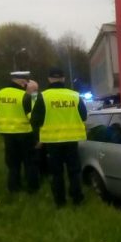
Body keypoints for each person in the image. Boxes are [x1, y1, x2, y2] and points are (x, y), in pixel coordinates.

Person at [30, 67, 87, 207]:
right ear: (63, 79)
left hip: (52, 141)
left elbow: (35, 120)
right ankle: (77, 199)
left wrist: (38, 138)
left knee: (57, 173)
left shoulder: (43, 96)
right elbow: (84, 116)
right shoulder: (74, 95)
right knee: (74, 171)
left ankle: (60, 202)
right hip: (72, 140)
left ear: (49, 79)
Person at [0, 70, 39, 194]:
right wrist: (34, 94)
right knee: (30, 163)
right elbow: (34, 115)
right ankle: (32, 189)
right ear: (22, 81)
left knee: (13, 164)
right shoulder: (24, 96)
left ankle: (13, 188)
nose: (27, 84)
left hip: (7, 134)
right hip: (25, 133)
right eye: (26, 81)